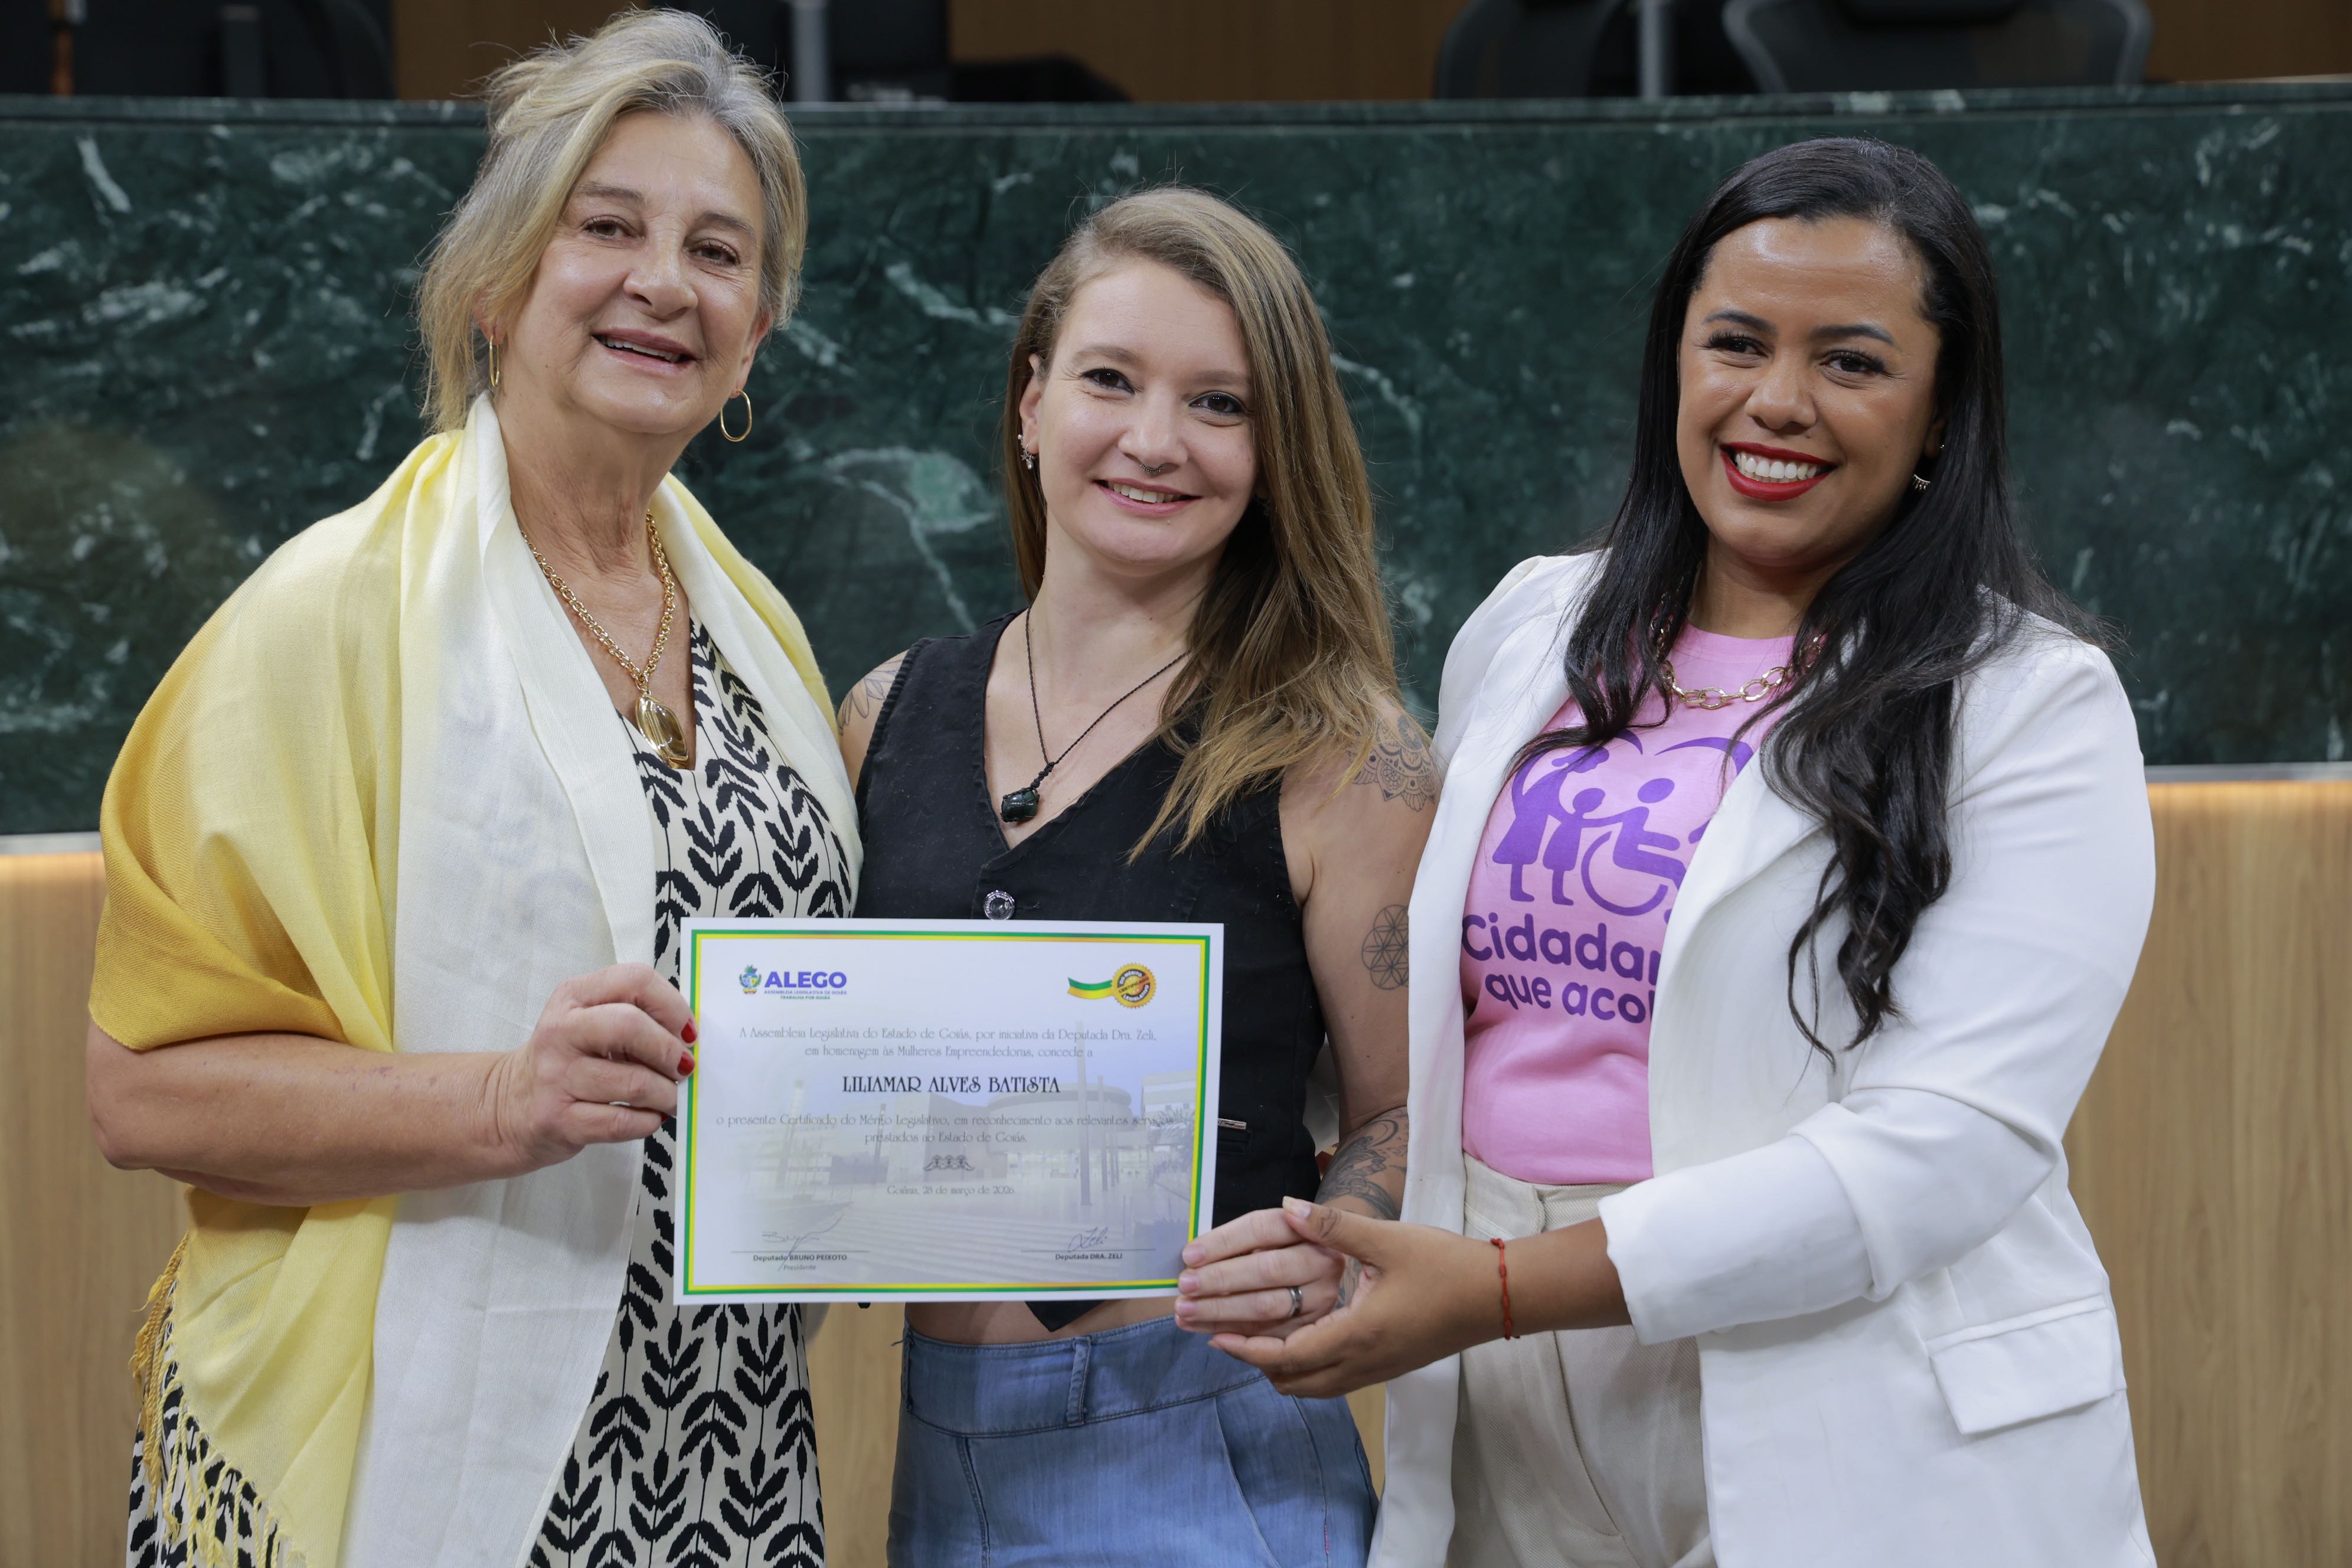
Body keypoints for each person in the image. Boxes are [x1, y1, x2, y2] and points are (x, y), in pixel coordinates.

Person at [1183, 138, 2159, 1568]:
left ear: (1943, 414)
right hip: (1499, 1373)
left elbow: (1946, 1147)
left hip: (1842, 1381)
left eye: (1852, 361)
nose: (1778, 400)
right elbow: (1423, 1008)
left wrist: (1504, 1283)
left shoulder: (2031, 703)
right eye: (1737, 343)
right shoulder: (1531, 626)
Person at [84, 15, 856, 1567]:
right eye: (607, 226)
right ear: (498, 278)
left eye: (717, 251)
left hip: (724, 1456)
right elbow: (141, 1090)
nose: (664, 282)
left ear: (758, 328)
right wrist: (502, 1100)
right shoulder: (326, 614)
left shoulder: (761, 631)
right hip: (411, 1457)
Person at [837, 187, 1430, 1565]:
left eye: (1220, 404)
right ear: (1031, 403)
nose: (1156, 440)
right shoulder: (883, 711)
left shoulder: (1345, 754)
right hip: (933, 1437)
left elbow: (1408, 1110)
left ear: (1275, 451)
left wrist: (1339, 1232)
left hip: (1204, 1435)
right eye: (1111, 380)